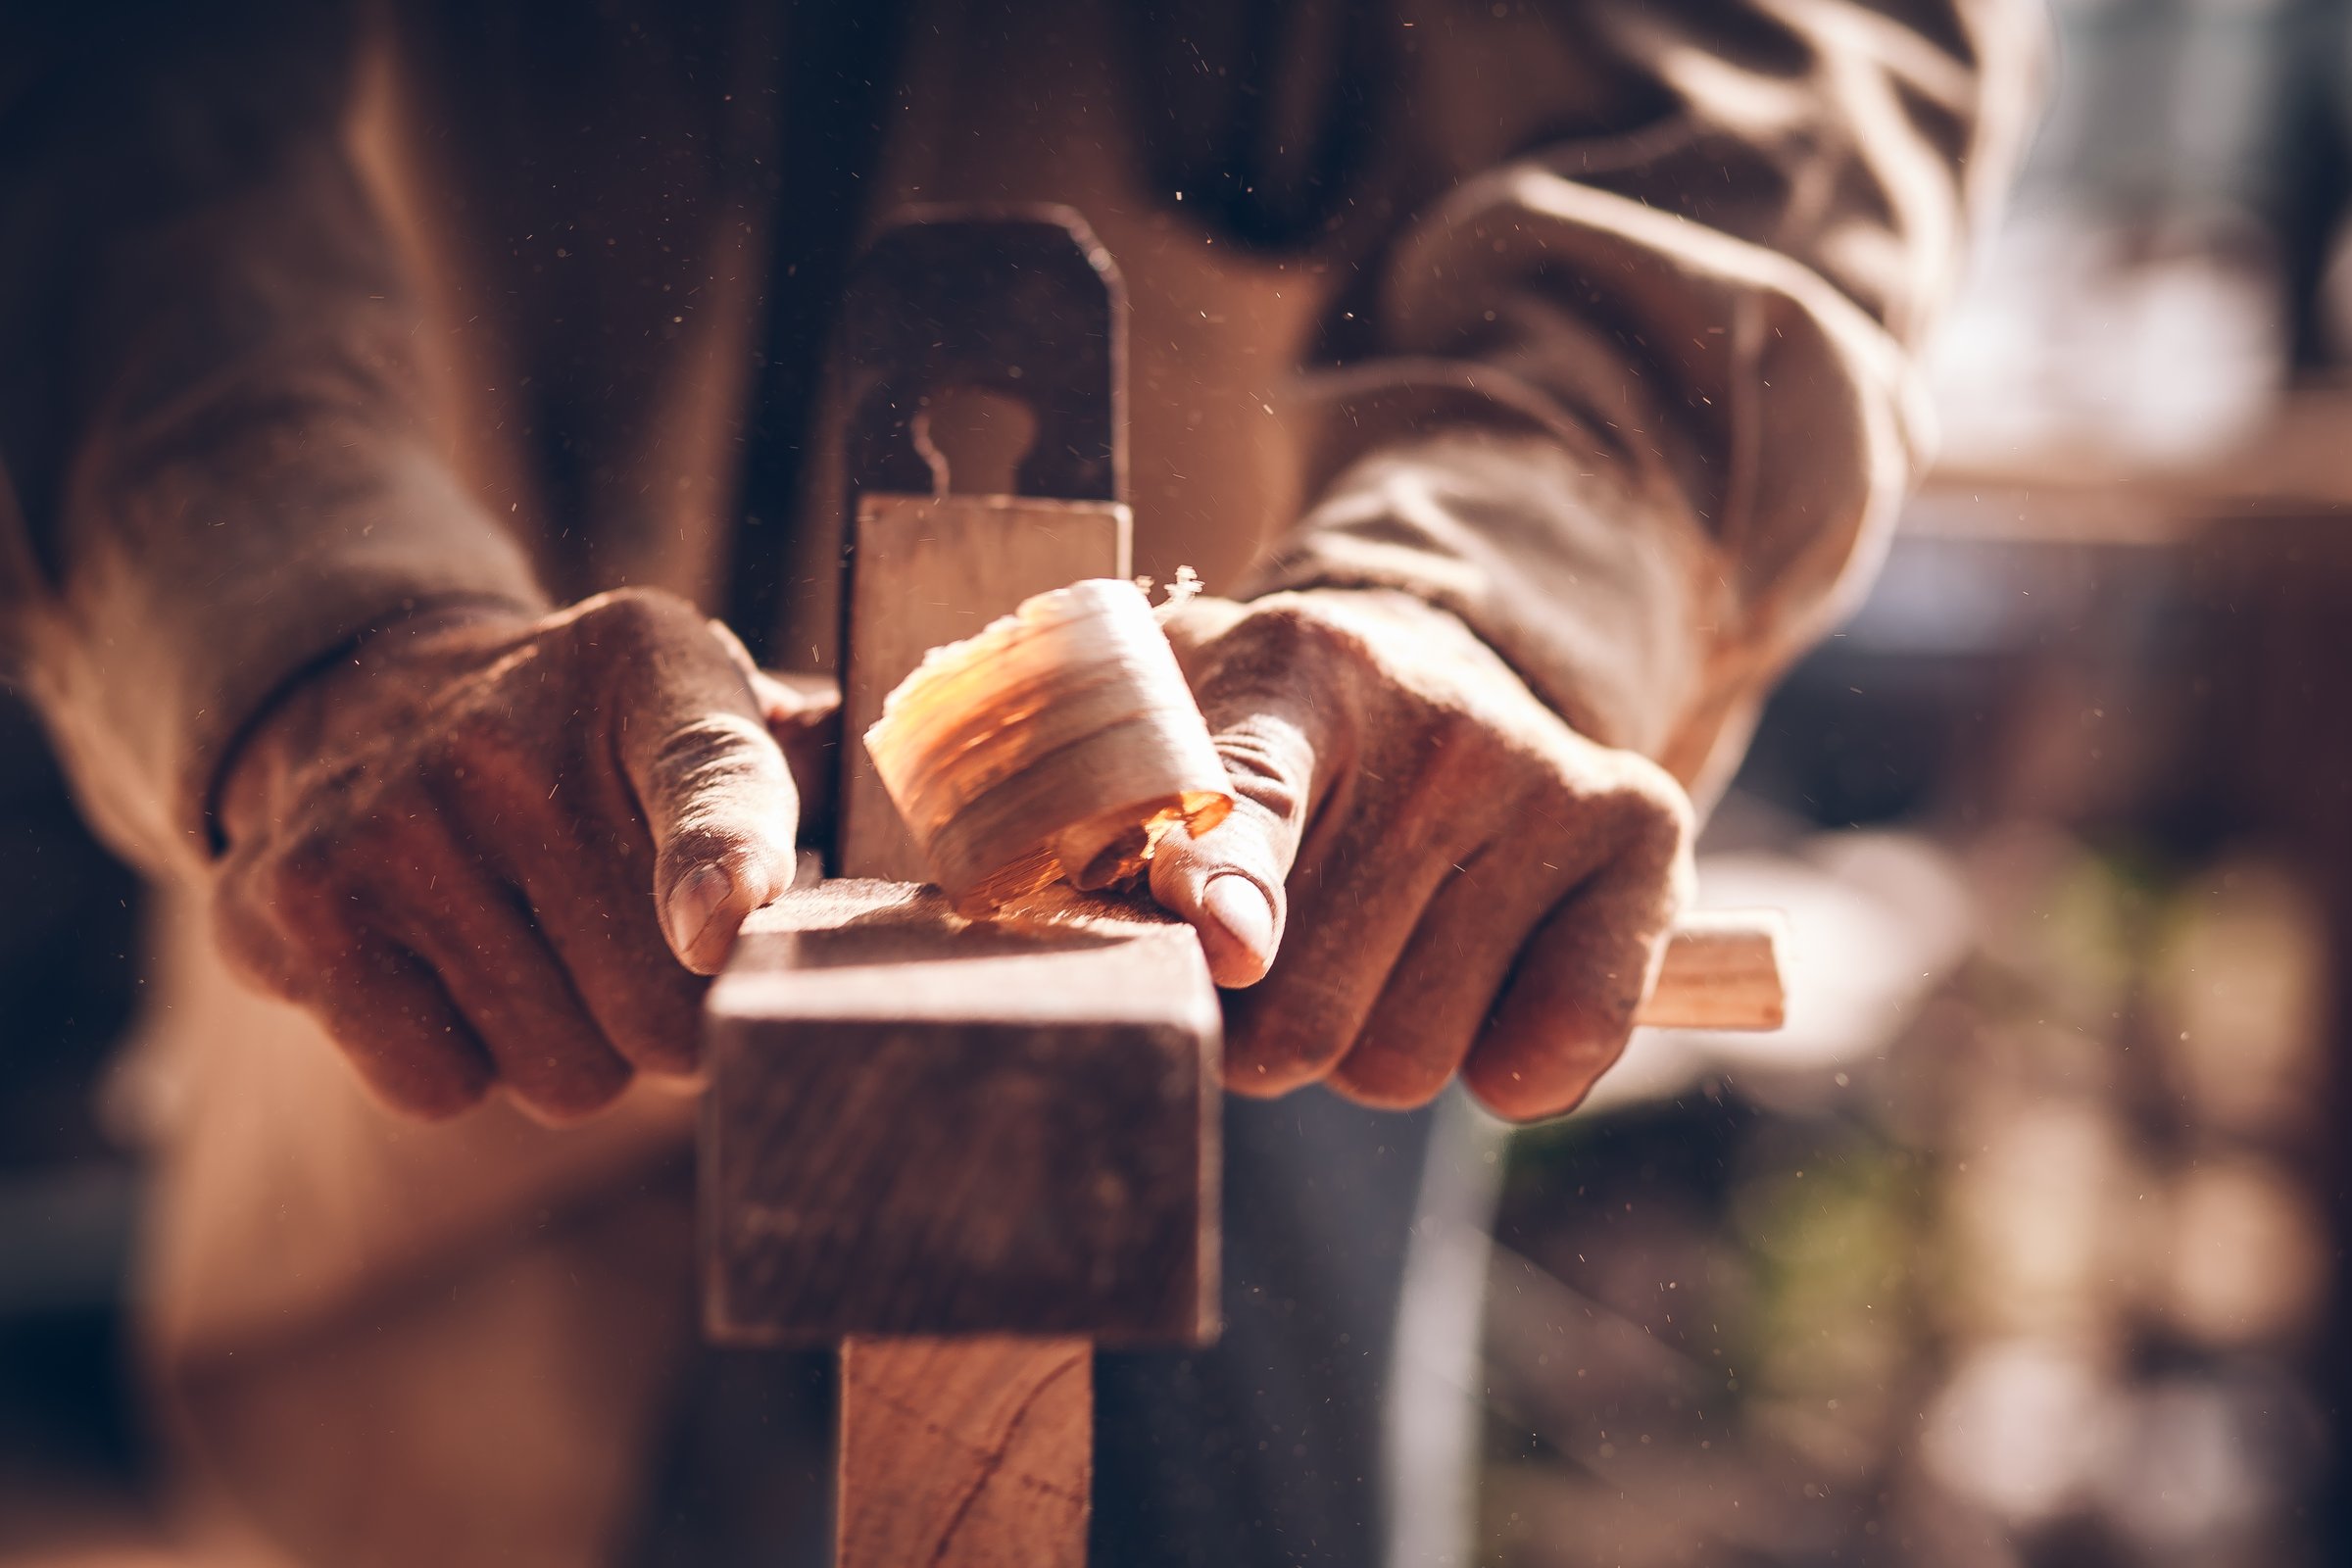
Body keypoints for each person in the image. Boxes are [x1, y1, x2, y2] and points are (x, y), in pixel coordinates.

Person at [0, 1, 2042, 1562]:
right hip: (465, 942)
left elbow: (1780, 62)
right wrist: (292, 609)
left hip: (1278, 940)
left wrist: (1511, 574)